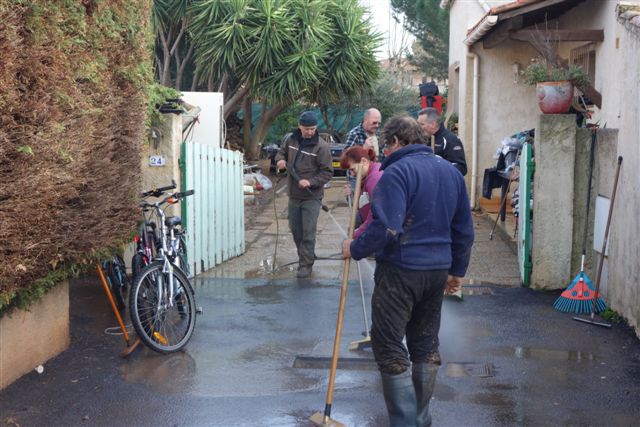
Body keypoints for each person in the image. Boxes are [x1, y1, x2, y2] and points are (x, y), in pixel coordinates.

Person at [341, 115, 474, 426]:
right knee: (425, 343)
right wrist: (457, 271)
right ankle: (420, 420)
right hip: (437, 271)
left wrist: (354, 248)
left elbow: (387, 227)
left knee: (388, 344)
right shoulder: (450, 172)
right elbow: (464, 230)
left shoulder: (395, 173)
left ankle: (405, 423)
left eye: (387, 145)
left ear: (397, 142)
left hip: (400, 270)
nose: (386, 151)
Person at [275, 111, 333, 278]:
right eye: (307, 128)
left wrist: (311, 182)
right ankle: (306, 255)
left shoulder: (321, 147)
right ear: (299, 126)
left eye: (313, 128)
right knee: (296, 231)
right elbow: (281, 152)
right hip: (293, 195)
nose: (310, 132)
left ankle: (306, 264)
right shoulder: (290, 139)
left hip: (311, 197)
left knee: (308, 232)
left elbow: (327, 173)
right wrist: (280, 160)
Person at [338, 146, 383, 238]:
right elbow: (364, 202)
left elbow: (377, 215)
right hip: (366, 224)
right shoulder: (367, 176)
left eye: (352, 169)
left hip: (375, 231)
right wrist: (352, 195)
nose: (352, 174)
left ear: (364, 161)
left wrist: (357, 234)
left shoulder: (374, 178)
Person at [417, 107, 468, 176]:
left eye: (421, 124)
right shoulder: (420, 138)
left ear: (433, 124)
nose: (418, 127)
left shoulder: (450, 139)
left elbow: (461, 168)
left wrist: (438, 166)